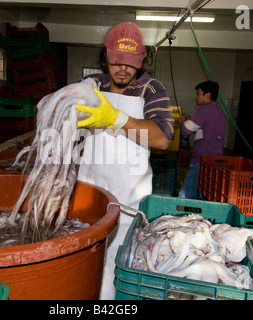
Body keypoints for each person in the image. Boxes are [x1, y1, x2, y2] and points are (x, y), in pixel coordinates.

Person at [75, 22, 175, 300]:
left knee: (121, 262)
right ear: (105, 56)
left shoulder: (151, 89)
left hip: (130, 195)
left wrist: (118, 119)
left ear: (142, 60)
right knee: (87, 257)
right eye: (116, 61)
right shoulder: (94, 85)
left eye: (130, 63)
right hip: (89, 190)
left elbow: (163, 138)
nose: (122, 69)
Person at [178, 80, 226, 199]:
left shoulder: (203, 110)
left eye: (198, 94)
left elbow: (186, 130)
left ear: (207, 95)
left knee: (186, 194)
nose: (196, 97)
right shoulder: (219, 112)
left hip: (201, 160)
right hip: (216, 160)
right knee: (206, 193)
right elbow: (205, 131)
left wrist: (182, 122)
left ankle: (183, 217)